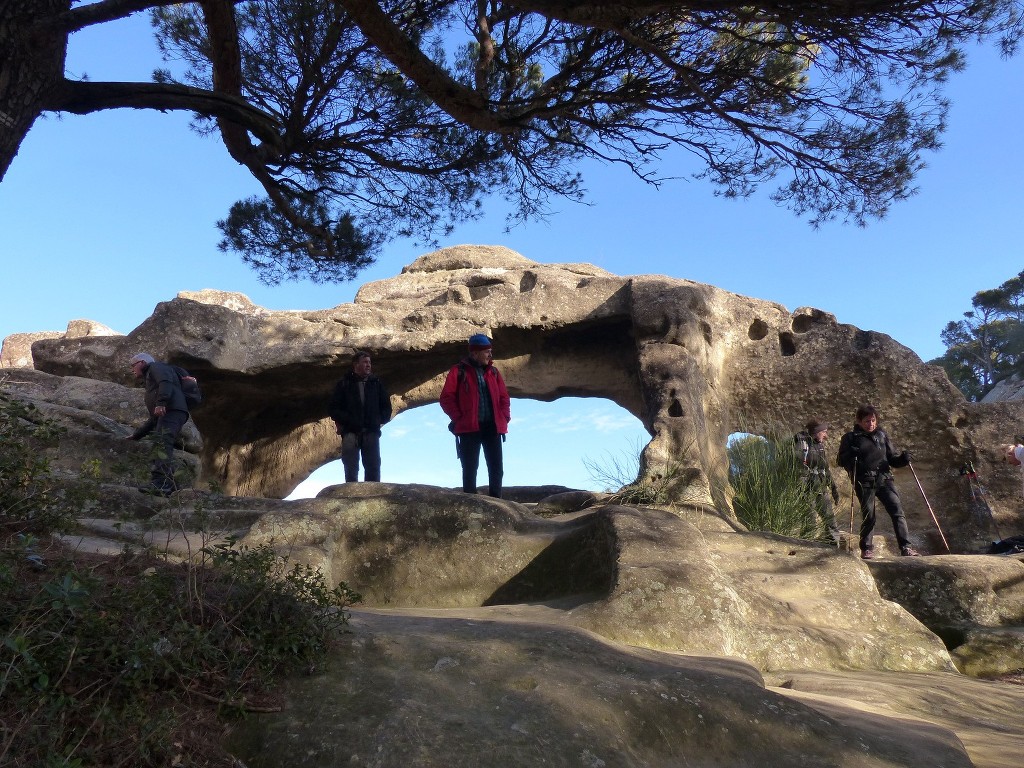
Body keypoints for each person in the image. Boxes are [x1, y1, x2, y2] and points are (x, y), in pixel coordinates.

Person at [837, 405, 920, 559]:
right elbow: (840, 460)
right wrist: (851, 453)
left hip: (884, 479)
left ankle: (906, 547)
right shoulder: (850, 437)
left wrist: (904, 459)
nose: (871, 424)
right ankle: (867, 549)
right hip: (864, 481)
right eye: (867, 421)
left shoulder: (882, 436)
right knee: (869, 515)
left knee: (897, 512)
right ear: (859, 421)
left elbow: (893, 459)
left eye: (873, 420)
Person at [439, 334, 511, 498]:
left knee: (496, 468)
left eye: (490, 351)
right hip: (469, 429)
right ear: (475, 353)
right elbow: (446, 398)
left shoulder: (494, 372)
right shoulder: (458, 371)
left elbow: (504, 398)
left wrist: (504, 417)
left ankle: (496, 502)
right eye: (486, 352)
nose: (490, 355)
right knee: (470, 467)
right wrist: (459, 418)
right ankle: (470, 502)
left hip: (492, 427)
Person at [126, 352, 190, 496]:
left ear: (142, 362)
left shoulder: (156, 367)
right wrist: (137, 435)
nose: (132, 369)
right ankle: (171, 486)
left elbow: (165, 381)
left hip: (172, 411)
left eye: (133, 365)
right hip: (172, 412)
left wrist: (161, 403)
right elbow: (154, 418)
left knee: (162, 444)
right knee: (162, 443)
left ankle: (161, 483)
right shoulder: (151, 379)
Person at [328, 351, 392, 482]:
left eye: (369, 362)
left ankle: (372, 497)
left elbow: (386, 407)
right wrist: (348, 421)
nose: (368, 365)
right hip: (350, 432)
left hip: (371, 432)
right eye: (365, 362)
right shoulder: (344, 384)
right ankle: (350, 497)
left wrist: (377, 420)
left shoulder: (376, 384)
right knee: (350, 466)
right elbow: (333, 408)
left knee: (373, 466)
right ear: (356, 364)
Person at [794, 420, 840, 538]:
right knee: (809, 521)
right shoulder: (802, 444)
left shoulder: (820, 446)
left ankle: (834, 545)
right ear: (816, 432)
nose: (826, 436)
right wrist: (801, 489)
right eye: (824, 432)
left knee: (830, 519)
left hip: (821, 487)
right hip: (807, 489)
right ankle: (806, 547)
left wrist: (833, 488)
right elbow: (798, 468)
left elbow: (825, 469)